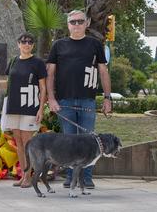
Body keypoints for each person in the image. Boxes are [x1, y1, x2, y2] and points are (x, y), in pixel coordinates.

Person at [46, 10, 112, 189]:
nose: (76, 25)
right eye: (73, 22)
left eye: (80, 21)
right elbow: (50, 74)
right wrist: (51, 98)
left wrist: (107, 98)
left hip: (87, 102)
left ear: (87, 23)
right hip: (64, 102)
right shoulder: (58, 45)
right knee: (69, 142)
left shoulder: (95, 45)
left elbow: (103, 72)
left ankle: (86, 178)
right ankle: (70, 177)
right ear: (67, 24)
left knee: (89, 141)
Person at [3, 33, 47, 188]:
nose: (26, 44)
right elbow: (8, 82)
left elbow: (43, 87)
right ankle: (23, 175)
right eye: (23, 42)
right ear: (18, 44)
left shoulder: (38, 63)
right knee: (19, 143)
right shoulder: (13, 61)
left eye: (30, 42)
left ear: (33, 45)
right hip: (14, 107)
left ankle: (29, 177)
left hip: (30, 107)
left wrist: (41, 108)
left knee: (28, 144)